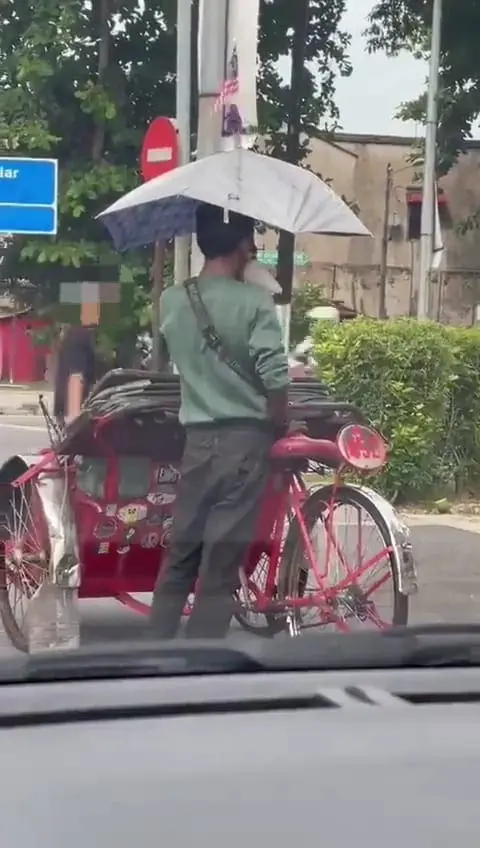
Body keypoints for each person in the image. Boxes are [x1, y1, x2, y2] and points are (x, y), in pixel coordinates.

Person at [150, 202, 289, 640]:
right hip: (244, 443)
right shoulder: (254, 301)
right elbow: (274, 373)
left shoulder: (172, 300)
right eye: (251, 241)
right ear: (243, 244)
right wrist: (281, 419)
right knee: (221, 560)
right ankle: (200, 663)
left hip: (197, 441)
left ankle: (156, 650)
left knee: (182, 551)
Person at [53, 324, 97, 426]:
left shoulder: (70, 334)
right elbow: (77, 374)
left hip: (67, 400)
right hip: (74, 400)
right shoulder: (80, 335)